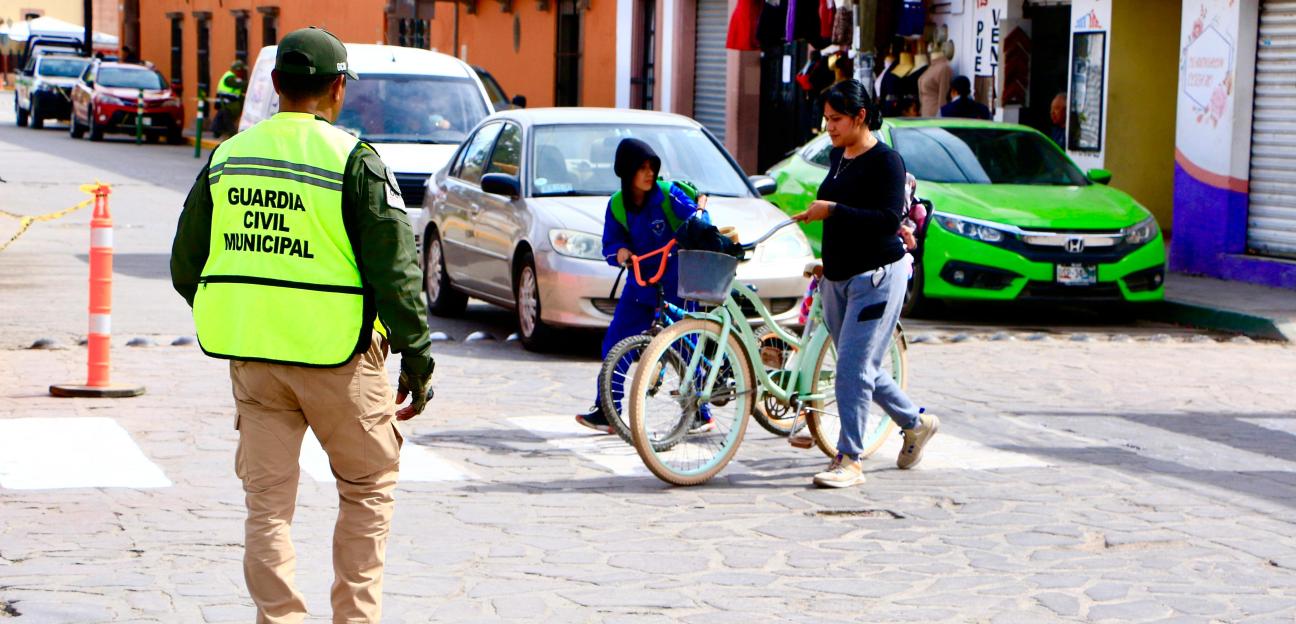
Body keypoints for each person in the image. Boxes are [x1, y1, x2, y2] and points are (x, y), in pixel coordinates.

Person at [169, 27, 435, 622]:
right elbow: (396, 271)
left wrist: (247, 310)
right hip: (341, 357)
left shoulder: (230, 156)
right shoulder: (354, 161)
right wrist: (416, 358)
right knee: (366, 490)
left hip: (257, 361)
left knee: (267, 507)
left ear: (274, 84)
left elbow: (186, 265)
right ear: (337, 89)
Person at [791, 79, 939, 489]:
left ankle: (850, 459)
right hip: (837, 278)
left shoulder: (887, 161)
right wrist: (826, 260)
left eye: (836, 119)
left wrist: (833, 210)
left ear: (860, 117)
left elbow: (887, 219)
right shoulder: (839, 156)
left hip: (877, 277)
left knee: (852, 370)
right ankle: (916, 422)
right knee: (862, 369)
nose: (830, 127)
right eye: (826, 119)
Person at [575, 138, 706, 433]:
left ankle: (700, 411)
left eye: (652, 167)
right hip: (641, 285)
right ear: (626, 172)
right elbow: (611, 243)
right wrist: (620, 252)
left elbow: (701, 222)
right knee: (615, 344)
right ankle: (608, 409)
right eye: (642, 168)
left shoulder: (669, 195)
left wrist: (692, 231)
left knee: (686, 347)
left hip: (678, 285)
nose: (649, 173)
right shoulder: (617, 205)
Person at [212, 59, 249, 136]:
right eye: (242, 71)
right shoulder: (230, 78)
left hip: (227, 106)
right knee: (230, 128)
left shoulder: (230, 76)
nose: (243, 73)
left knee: (223, 125)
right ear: (237, 70)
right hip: (227, 106)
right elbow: (240, 85)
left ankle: (219, 134)